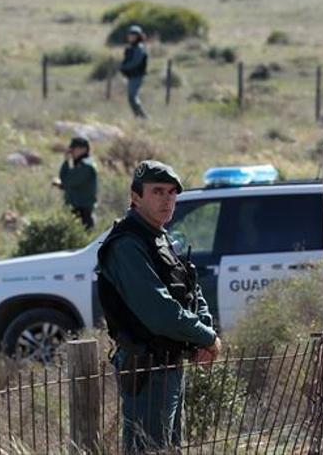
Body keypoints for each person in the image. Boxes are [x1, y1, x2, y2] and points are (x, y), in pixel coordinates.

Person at [97, 160, 221, 452]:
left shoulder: (160, 236)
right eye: (157, 192)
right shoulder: (127, 243)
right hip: (147, 368)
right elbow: (159, 311)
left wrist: (202, 332)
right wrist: (207, 338)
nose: (167, 199)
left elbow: (191, 289)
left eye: (171, 192)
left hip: (170, 364)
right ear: (136, 197)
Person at [52, 137, 98, 229]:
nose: (71, 152)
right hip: (76, 212)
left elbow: (66, 180)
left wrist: (66, 162)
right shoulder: (81, 166)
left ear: (83, 149)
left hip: (82, 214)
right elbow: (75, 186)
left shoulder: (86, 167)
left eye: (74, 149)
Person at [120, 25, 149, 118]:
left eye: (133, 35)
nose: (131, 37)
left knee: (132, 97)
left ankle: (143, 117)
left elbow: (135, 62)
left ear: (138, 36)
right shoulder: (132, 47)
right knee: (131, 97)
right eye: (130, 35)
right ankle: (138, 116)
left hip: (137, 75)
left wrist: (124, 67)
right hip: (132, 75)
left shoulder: (139, 48)